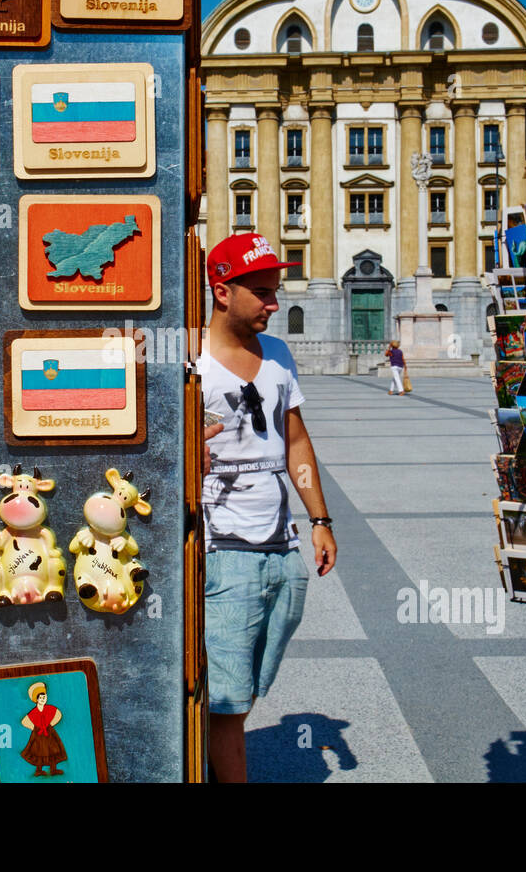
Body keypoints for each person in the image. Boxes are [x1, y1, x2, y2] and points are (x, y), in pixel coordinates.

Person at [198, 232, 338, 782]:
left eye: (275, 290)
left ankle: (206, 756)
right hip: (222, 548)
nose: (274, 304)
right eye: (262, 292)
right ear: (222, 290)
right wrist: (189, 462)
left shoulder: (278, 354)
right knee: (229, 702)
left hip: (281, 547)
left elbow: (296, 440)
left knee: (251, 685)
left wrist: (320, 519)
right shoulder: (190, 358)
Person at [19, 681, 66, 776]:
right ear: (36, 699)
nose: (42, 699)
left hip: (49, 733)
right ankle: (38, 770)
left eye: (44, 697)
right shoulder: (34, 711)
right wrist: (34, 728)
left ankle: (53, 769)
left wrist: (51, 724)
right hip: (38, 734)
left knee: (53, 749)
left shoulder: (49, 709)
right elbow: (24, 721)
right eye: (40, 698)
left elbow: (58, 714)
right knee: (38, 751)